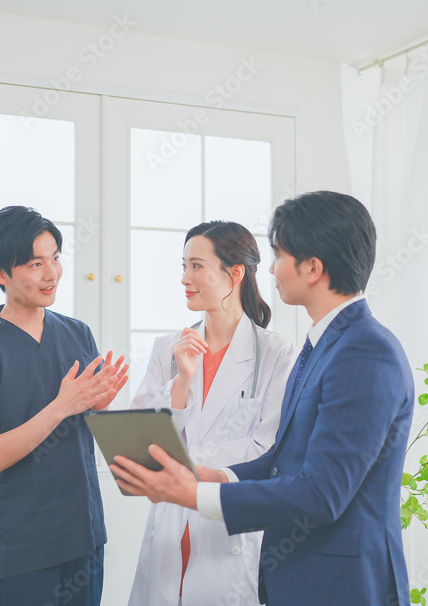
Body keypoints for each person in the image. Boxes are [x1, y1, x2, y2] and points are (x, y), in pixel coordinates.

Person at [111, 191, 415, 606]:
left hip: (342, 584)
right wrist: (213, 476)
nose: (270, 269)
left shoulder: (364, 350)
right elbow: (283, 460)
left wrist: (193, 493)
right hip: (298, 577)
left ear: (312, 268)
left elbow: (322, 493)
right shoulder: (321, 346)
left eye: (279, 254)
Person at [0, 205, 129, 606]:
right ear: (1, 273)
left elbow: (85, 424)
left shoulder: (77, 333)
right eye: (35, 264)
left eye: (56, 258)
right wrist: (61, 407)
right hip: (24, 545)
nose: (52, 274)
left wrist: (99, 406)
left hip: (84, 531)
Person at [127, 221, 298, 606]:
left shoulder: (277, 354)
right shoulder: (168, 348)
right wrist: (181, 384)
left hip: (228, 528)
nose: (185, 278)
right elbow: (142, 443)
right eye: (183, 266)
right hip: (169, 528)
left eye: (197, 266)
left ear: (235, 274)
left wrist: (185, 465)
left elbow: (268, 449)